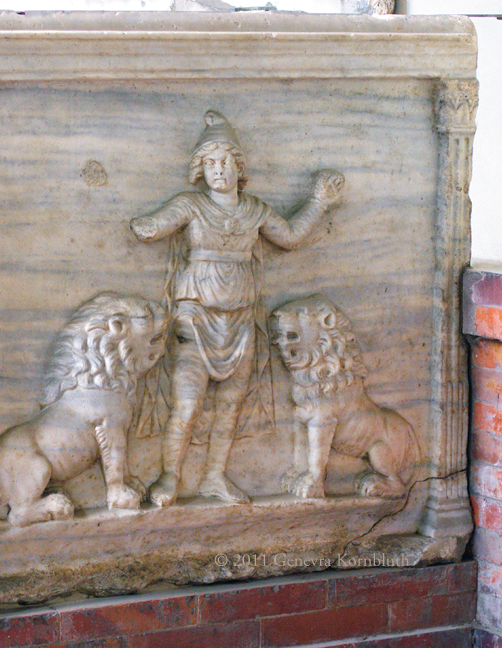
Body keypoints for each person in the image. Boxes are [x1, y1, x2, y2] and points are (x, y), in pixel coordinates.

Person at [130, 110, 345, 507]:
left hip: (241, 321)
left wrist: (319, 202)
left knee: (230, 404)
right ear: (200, 169)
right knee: (188, 403)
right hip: (196, 318)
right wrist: (146, 225)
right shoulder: (191, 205)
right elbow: (156, 225)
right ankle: (169, 476)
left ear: (239, 168)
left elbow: (290, 237)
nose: (219, 169)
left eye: (227, 161)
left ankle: (214, 476)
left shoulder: (254, 210)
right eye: (211, 162)